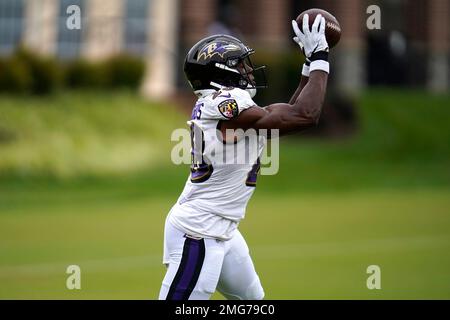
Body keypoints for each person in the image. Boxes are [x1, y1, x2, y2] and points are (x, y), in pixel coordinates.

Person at [159, 14, 330, 300]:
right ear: (222, 72)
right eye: (240, 65)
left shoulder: (226, 106)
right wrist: (321, 58)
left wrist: (308, 63)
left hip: (224, 229)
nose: (248, 71)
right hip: (199, 232)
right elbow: (305, 115)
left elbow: (291, 112)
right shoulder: (223, 103)